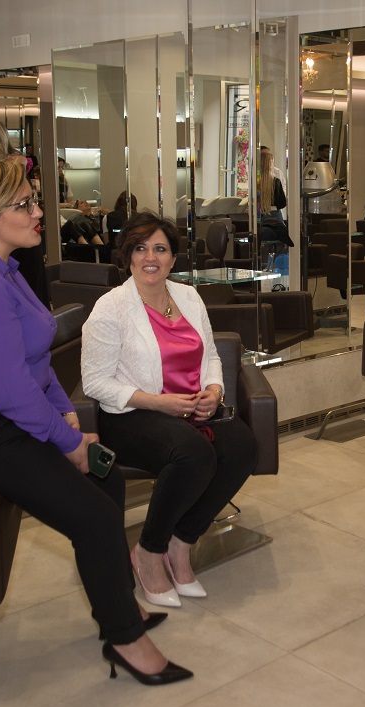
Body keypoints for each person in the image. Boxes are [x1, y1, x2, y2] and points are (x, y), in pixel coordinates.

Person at [0, 159, 191, 686]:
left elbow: (35, 361)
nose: (37, 211)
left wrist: (63, 411)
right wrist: (66, 439)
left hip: (10, 415)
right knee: (93, 516)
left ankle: (120, 606)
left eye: (33, 201)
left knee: (106, 478)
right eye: (23, 204)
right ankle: (125, 639)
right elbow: (6, 387)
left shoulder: (5, 268)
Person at [81, 209, 257, 609]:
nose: (150, 257)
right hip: (132, 415)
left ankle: (181, 543)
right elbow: (95, 382)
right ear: (127, 255)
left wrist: (214, 389)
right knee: (194, 453)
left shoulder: (188, 297)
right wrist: (158, 402)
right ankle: (148, 550)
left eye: (160, 249)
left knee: (243, 447)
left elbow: (210, 355)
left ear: (173, 258)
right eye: (140, 248)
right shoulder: (110, 308)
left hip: (190, 410)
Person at [259, 148, 286, 221]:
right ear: (270, 164)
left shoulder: (255, 182)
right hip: (274, 214)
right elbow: (282, 203)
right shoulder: (276, 181)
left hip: (259, 214)